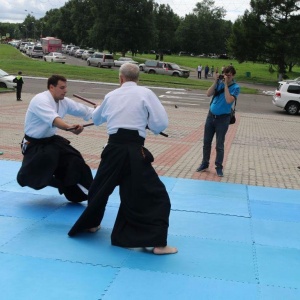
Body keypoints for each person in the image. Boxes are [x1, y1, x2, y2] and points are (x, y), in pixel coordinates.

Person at [68, 63, 177, 255]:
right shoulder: (146, 93)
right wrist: (149, 123)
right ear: (138, 78)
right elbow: (160, 124)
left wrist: (101, 110)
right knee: (155, 195)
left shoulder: (111, 95)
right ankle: (158, 244)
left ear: (120, 78)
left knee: (99, 188)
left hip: (113, 150)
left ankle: (91, 224)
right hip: (135, 151)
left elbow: (97, 118)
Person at [16, 75, 94, 202]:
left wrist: (101, 111)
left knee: (74, 159)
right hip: (34, 145)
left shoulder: (64, 101)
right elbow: (55, 120)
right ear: (51, 87)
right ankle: (59, 183)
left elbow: (84, 110)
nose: (65, 90)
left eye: (66, 87)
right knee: (38, 173)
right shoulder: (40, 100)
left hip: (51, 141)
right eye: (62, 87)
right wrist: (69, 127)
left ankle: (84, 192)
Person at [196, 65, 240, 177]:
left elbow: (229, 100)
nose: (227, 77)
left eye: (229, 76)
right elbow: (208, 94)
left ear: (233, 75)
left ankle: (219, 167)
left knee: (219, 145)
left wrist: (225, 85)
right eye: (225, 75)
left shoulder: (235, 87)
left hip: (223, 119)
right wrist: (216, 81)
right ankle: (204, 163)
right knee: (206, 142)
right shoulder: (219, 83)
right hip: (211, 117)